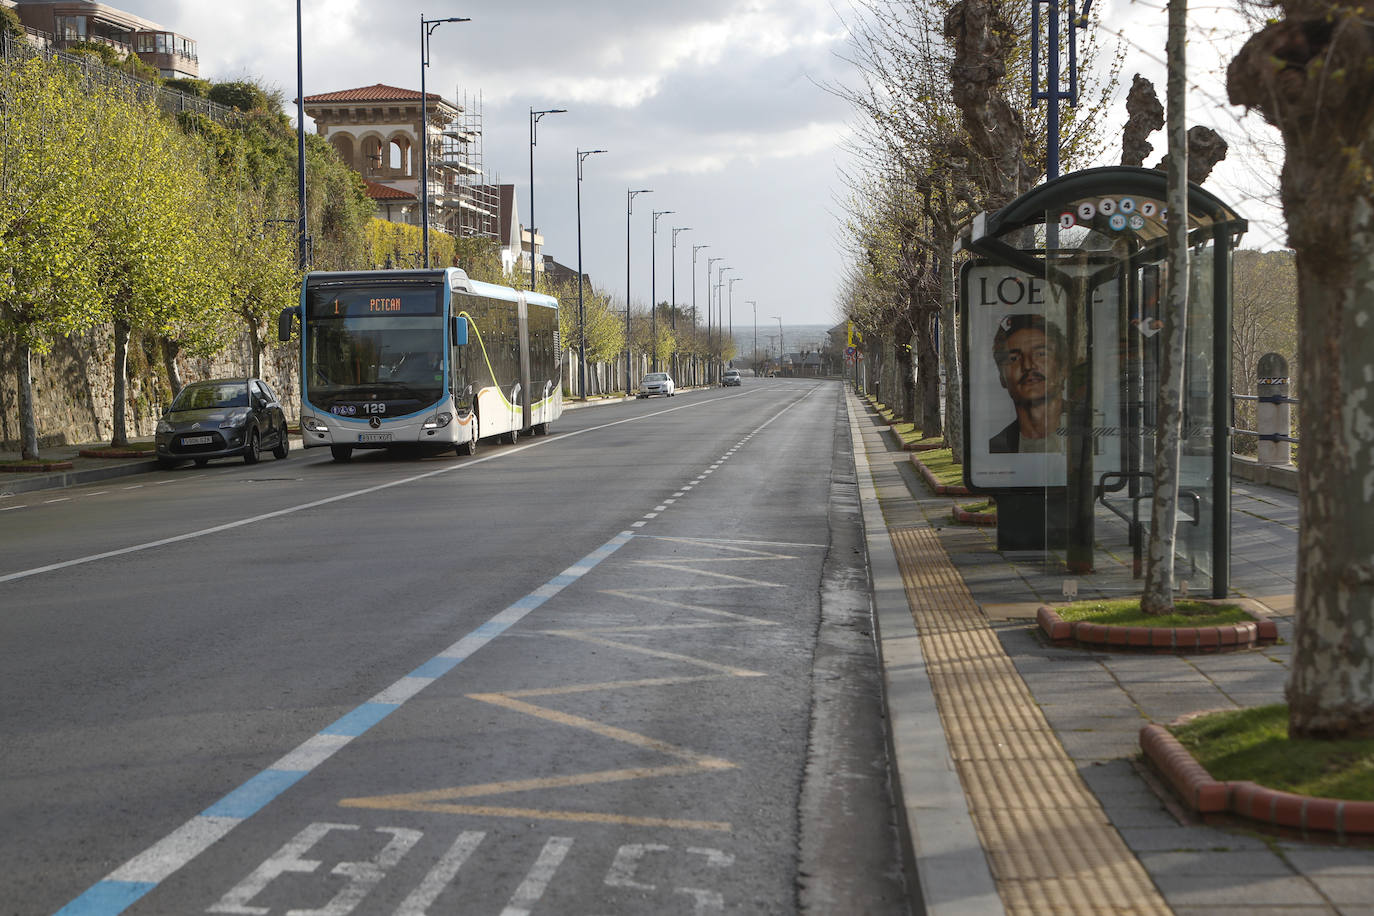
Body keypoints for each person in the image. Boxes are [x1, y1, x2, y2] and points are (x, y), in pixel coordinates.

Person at [988, 313, 1067, 454]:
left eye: (1041, 354)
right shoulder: (997, 448)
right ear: (1002, 377)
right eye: (1014, 358)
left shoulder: (1092, 431)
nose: (1028, 365)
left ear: (1063, 369)